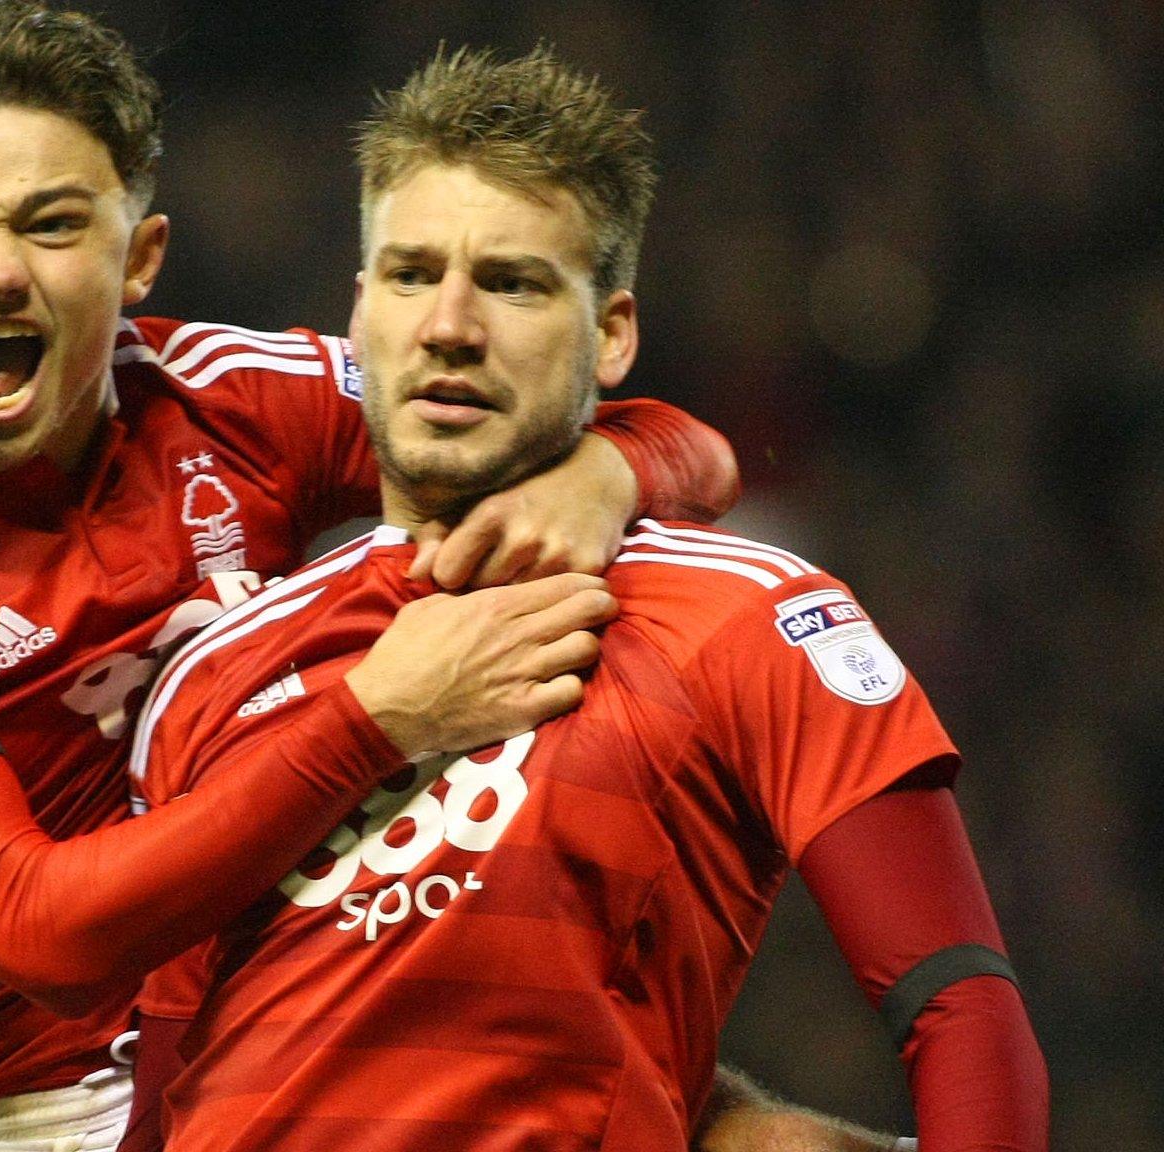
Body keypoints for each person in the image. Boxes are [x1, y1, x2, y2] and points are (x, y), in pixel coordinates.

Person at [0, 4, 761, 1150]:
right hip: (18, 1116)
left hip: (278, 1005)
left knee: (737, 1123)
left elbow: (672, 445)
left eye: (49, 226)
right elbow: (34, 928)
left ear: (136, 257)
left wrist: (601, 471)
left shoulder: (235, 397)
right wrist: (375, 721)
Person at [123, 44, 1050, 1152]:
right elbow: (161, 1091)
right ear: (361, 311)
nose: (450, 325)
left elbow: (962, 1013)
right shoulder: (212, 676)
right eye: (412, 275)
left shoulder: (744, 614)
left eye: (511, 283)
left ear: (610, 334)